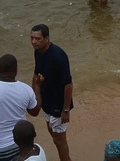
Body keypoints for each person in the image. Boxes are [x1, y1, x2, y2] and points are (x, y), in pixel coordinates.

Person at [31, 25, 74, 161]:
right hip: (46, 101)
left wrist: (65, 110)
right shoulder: (38, 51)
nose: (34, 42)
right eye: (32, 38)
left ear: (47, 39)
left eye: (38, 39)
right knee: (53, 134)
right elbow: (36, 73)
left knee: (59, 139)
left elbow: (68, 85)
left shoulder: (58, 56)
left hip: (58, 104)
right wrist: (33, 96)